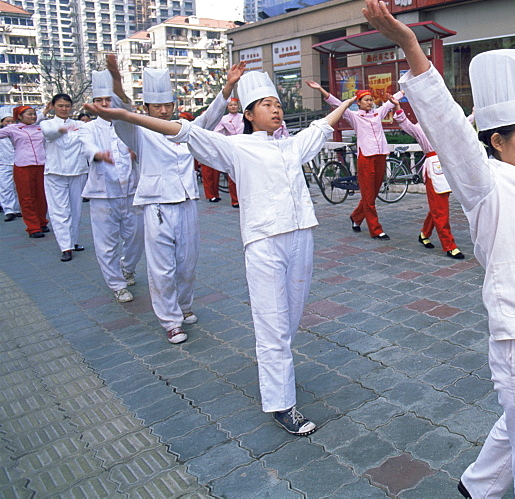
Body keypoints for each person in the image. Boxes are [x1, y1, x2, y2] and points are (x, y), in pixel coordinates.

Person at [364, 0, 515, 499]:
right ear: (496, 142)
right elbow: (449, 126)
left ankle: (477, 486)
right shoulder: (485, 183)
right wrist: (410, 46)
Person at [86, 71, 354, 436]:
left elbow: (322, 125)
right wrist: (126, 116)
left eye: (277, 104)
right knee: (272, 324)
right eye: (266, 105)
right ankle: (281, 404)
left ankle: (277, 370)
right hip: (264, 242)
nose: (275, 110)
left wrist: (346, 104)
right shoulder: (235, 147)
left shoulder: (291, 145)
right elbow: (186, 131)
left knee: (289, 321)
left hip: (302, 237)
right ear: (248, 114)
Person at [106, 53, 243, 343]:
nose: (164, 110)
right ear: (146, 108)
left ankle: (184, 306)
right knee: (162, 268)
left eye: (168, 105)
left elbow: (210, 117)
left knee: (186, 262)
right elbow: (121, 109)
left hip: (187, 203)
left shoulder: (184, 128)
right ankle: (170, 321)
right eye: (158, 106)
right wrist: (116, 79)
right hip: (156, 205)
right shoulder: (138, 131)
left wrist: (228, 87)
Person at [78, 70, 144, 304]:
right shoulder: (88, 128)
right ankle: (116, 284)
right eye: (99, 100)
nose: (104, 104)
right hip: (102, 194)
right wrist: (98, 154)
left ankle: (127, 268)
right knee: (106, 243)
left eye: (108, 99)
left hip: (131, 191)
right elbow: (86, 146)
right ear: (93, 104)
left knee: (136, 237)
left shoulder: (128, 124)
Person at [305, 79, 393, 239]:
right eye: (366, 100)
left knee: (373, 193)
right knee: (367, 194)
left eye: (371, 100)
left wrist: (408, 89)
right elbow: (337, 104)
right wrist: (320, 89)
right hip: (366, 157)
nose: (370, 102)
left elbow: (391, 103)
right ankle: (376, 229)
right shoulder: (354, 116)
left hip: (380, 155)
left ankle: (356, 217)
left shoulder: (378, 113)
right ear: (358, 103)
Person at [387, 92, 465, 259]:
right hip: (434, 170)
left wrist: (473, 114)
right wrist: (398, 106)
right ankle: (449, 245)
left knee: (438, 207)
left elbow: (463, 126)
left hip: (446, 168)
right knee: (441, 209)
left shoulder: (446, 126)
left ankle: (424, 233)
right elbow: (406, 124)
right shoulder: (421, 128)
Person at [40, 94, 90, 261]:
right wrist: (62, 130)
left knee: (75, 209)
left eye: (67, 106)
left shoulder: (79, 124)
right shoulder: (46, 123)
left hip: (77, 170)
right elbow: (50, 135)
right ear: (53, 106)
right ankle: (65, 247)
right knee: (59, 210)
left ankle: (73, 240)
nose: (63, 109)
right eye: (60, 105)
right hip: (55, 172)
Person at [0, 106, 49, 238]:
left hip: (41, 165)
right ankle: (33, 227)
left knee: (42, 196)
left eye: (34, 114)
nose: (33, 117)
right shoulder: (12, 129)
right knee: (27, 197)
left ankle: (42, 221)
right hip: (23, 166)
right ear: (19, 117)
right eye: (29, 115)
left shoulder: (40, 128)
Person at [211, 96, 243, 208]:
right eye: (231, 105)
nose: (233, 107)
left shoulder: (244, 117)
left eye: (235, 105)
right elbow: (217, 132)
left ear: (238, 106)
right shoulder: (223, 119)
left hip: (245, 144)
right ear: (227, 107)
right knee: (232, 173)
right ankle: (235, 200)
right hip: (232, 145)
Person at [0, 115, 21, 222]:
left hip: (18, 162)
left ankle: (17, 209)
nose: (10, 123)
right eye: (7, 121)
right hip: (4, 164)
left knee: (18, 187)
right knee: (5, 187)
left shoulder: (19, 132)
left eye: (12, 121)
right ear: (2, 122)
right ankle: (9, 210)